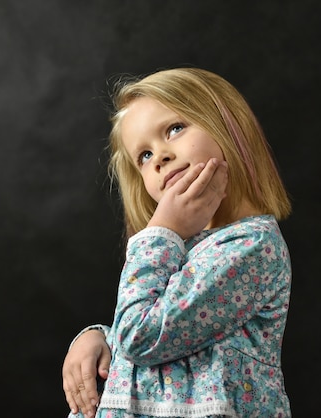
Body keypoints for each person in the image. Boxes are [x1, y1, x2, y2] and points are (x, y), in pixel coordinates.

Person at [62, 67, 293, 417]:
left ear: (228, 124)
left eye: (174, 129)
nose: (160, 158)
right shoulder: (179, 247)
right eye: (144, 156)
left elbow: (142, 335)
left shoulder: (251, 247)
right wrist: (98, 338)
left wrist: (161, 231)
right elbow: (174, 339)